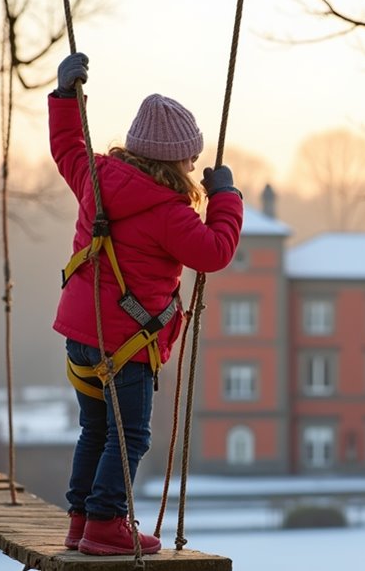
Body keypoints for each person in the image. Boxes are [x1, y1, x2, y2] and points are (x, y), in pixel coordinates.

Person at [49, 52, 243, 555]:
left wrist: (65, 96)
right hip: (126, 346)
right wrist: (226, 198)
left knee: (95, 428)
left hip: (81, 337)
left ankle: (80, 519)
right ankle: (106, 521)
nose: (195, 168)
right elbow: (215, 252)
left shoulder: (95, 177)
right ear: (175, 161)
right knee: (130, 434)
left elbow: (66, 145)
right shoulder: (169, 213)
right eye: (191, 160)